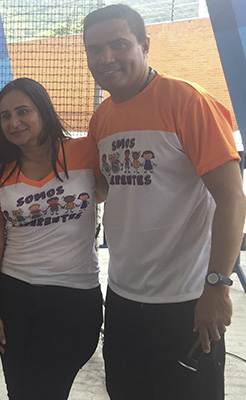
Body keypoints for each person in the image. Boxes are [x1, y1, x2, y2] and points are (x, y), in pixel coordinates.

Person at [83, 5, 246, 399]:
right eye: (95, 49)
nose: (106, 57)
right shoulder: (101, 118)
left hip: (187, 299)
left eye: (119, 44)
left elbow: (232, 198)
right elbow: (104, 189)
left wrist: (217, 285)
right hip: (123, 297)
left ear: (144, 45)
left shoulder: (189, 102)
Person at [0, 78, 102, 399]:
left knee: (46, 392)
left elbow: (116, 192)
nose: (13, 122)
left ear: (43, 111)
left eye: (23, 112)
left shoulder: (85, 152)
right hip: (15, 296)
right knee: (20, 393)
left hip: (74, 298)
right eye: (5, 116)